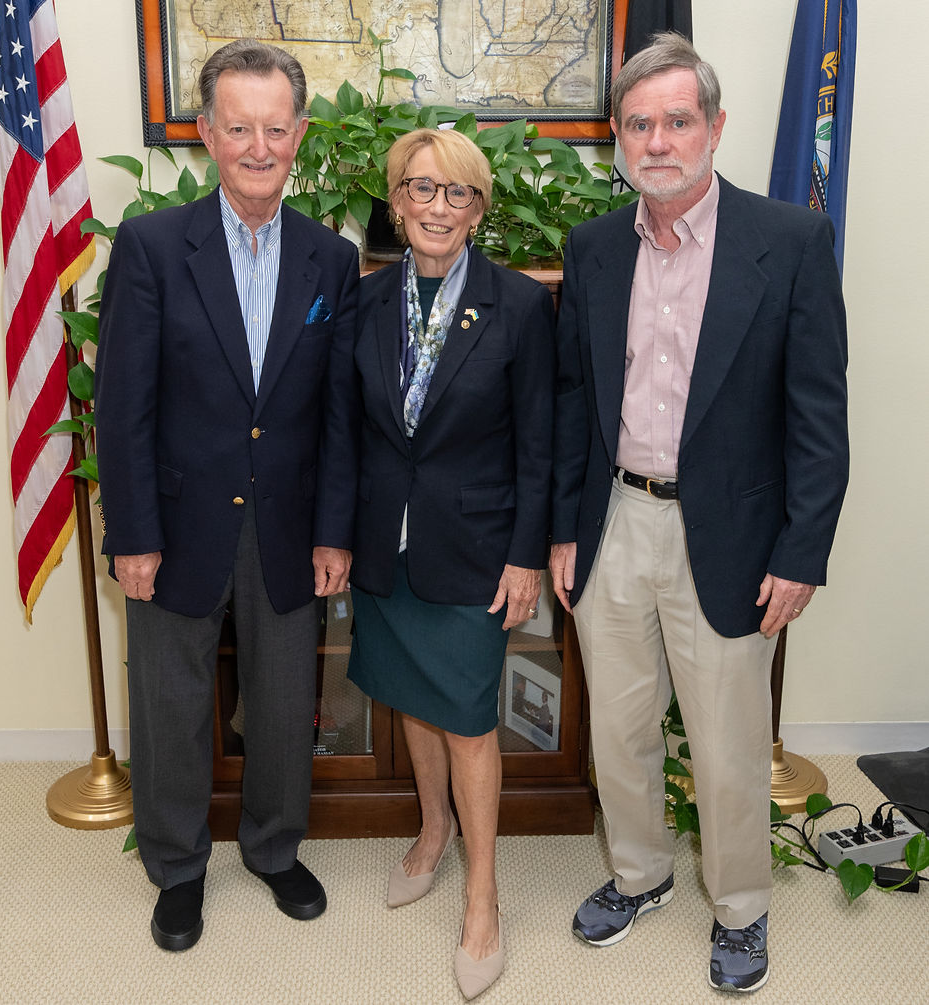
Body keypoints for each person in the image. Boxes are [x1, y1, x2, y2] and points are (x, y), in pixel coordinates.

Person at [550, 33, 848, 994]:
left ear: (714, 127)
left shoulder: (790, 242)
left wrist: (803, 550)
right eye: (639, 123)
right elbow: (569, 403)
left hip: (732, 533)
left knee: (727, 741)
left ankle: (741, 906)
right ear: (617, 139)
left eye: (679, 119)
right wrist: (564, 526)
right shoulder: (593, 248)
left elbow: (817, 413)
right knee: (620, 728)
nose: (659, 139)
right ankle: (638, 875)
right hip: (613, 525)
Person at [94, 39, 360, 951]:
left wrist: (334, 531)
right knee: (170, 701)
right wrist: (131, 531)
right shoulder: (153, 246)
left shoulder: (333, 257)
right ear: (206, 132)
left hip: (288, 521)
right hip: (174, 519)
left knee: (286, 695)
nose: (257, 145)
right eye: (238, 126)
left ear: (300, 135)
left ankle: (275, 847)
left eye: (274, 128)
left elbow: (335, 415)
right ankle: (175, 864)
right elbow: (122, 404)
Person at [346, 128, 555, 1000]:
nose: (437, 207)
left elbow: (540, 446)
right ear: (396, 201)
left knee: (468, 716)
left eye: (457, 193)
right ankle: (433, 831)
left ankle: (482, 893)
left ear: (479, 209)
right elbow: (345, 431)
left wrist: (526, 557)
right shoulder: (361, 303)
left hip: (475, 547)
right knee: (412, 696)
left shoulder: (519, 305)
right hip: (385, 544)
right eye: (421, 189)